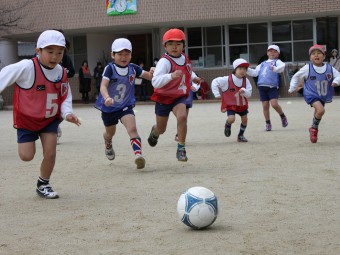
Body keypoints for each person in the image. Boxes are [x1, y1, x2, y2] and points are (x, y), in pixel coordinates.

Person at [0, 30, 81, 199]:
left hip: (49, 119)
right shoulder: (27, 67)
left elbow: (65, 96)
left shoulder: (62, 72)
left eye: (59, 52)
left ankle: (43, 183)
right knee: (26, 156)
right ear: (38, 50)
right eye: (50, 52)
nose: (54, 56)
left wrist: (67, 113)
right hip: (26, 119)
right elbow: (3, 76)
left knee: (50, 152)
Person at [94, 38, 153, 169]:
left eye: (127, 54)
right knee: (110, 133)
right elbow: (103, 86)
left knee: (132, 129)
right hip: (109, 107)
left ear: (131, 55)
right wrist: (107, 98)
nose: (123, 57)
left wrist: (155, 72)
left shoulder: (134, 68)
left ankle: (138, 155)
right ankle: (108, 142)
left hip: (125, 106)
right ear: (112, 55)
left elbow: (149, 76)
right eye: (120, 54)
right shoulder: (110, 68)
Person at [148, 28, 202, 162]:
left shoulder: (185, 58)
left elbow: (188, 71)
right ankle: (155, 132)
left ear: (183, 46)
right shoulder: (164, 62)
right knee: (161, 129)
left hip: (178, 96)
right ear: (165, 46)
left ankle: (181, 148)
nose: (174, 47)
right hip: (163, 98)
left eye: (178, 44)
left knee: (182, 117)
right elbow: (155, 81)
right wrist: (171, 76)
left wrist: (194, 78)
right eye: (170, 44)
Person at [289, 44, 340, 143]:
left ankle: (313, 128)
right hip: (310, 93)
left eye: (319, 53)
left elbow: (339, 76)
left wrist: (336, 81)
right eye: (313, 53)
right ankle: (314, 129)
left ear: (324, 56)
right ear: (310, 57)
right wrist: (292, 87)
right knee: (321, 110)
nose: (316, 55)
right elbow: (296, 76)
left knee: (318, 112)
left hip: (322, 95)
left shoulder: (329, 68)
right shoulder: (307, 68)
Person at [247, 45, 288, 131]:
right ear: (267, 53)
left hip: (272, 86)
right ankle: (268, 123)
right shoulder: (262, 63)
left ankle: (282, 116)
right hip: (262, 87)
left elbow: (282, 68)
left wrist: (275, 68)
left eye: (275, 51)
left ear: (278, 54)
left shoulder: (278, 61)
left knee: (274, 104)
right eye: (270, 51)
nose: (272, 53)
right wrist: (247, 69)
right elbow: (255, 73)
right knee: (265, 106)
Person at [211, 58, 252, 142]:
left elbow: (249, 93)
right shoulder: (226, 79)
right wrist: (217, 94)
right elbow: (214, 82)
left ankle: (240, 135)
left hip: (242, 105)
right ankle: (227, 124)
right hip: (231, 105)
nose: (242, 71)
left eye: (244, 69)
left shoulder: (246, 80)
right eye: (240, 69)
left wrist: (244, 91)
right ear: (235, 69)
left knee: (245, 120)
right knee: (231, 119)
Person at [57, 37, 75, 144]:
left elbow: (72, 72)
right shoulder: (39, 56)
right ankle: (52, 127)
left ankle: (55, 125)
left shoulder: (65, 58)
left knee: (61, 108)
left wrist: (62, 72)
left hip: (61, 87)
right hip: (44, 88)